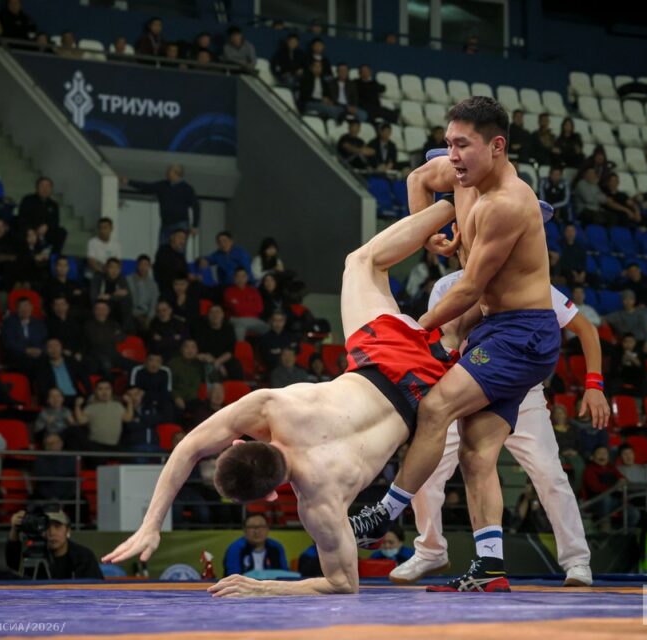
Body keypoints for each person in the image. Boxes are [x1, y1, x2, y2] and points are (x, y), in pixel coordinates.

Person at [102, 186, 472, 596]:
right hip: (377, 359)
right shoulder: (270, 407)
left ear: (268, 495)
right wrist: (150, 523)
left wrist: (263, 589)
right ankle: (453, 203)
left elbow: (343, 584)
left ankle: (485, 235)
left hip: (418, 393)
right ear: (241, 443)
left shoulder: (319, 502)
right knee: (362, 261)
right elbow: (188, 447)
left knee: (466, 311)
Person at [388, 156, 608, 587]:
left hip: (521, 391)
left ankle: (576, 561)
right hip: (468, 389)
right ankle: (430, 551)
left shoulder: (535, 285)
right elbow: (446, 343)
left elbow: (585, 328)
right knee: (428, 468)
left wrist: (594, 384)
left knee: (549, 473)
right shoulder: (447, 287)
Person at [6, 507, 103, 579]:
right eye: (47, 527)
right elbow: (12, 566)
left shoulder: (83, 557)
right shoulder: (34, 554)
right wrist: (14, 529)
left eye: (57, 526)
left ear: (68, 530)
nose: (52, 533)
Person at [124, 164, 200, 246]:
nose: (166, 173)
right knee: (163, 249)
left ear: (176, 173)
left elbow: (196, 207)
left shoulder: (187, 188)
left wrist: (195, 225)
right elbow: (147, 187)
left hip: (180, 224)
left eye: (169, 171)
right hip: (165, 224)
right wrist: (129, 182)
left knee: (178, 248)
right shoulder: (163, 185)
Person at [223, 514, 289, 576]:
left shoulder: (276, 547)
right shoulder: (235, 549)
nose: (257, 532)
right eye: (252, 527)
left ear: (267, 529)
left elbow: (285, 574)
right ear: (244, 530)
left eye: (261, 526)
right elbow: (233, 576)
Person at [73, 379, 132, 449]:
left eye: (107, 388)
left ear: (112, 391)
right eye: (100, 389)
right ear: (95, 391)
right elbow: (81, 421)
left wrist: (129, 403)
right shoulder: (90, 407)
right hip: (95, 445)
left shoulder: (118, 405)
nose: (104, 392)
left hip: (114, 445)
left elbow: (127, 419)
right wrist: (77, 406)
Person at [0, 297, 48, 376]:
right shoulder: (9, 323)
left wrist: (40, 350)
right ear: (16, 309)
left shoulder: (39, 324)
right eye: (21, 307)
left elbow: (45, 340)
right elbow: (9, 343)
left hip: (37, 354)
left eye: (27, 306)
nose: (24, 309)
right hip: (18, 355)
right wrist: (26, 350)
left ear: (31, 307)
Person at [18, 177, 66, 255]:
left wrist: (47, 226)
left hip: (46, 232)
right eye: (42, 186)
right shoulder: (28, 200)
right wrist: (30, 231)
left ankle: (53, 256)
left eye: (48, 186)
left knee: (61, 232)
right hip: (30, 230)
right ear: (37, 188)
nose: (45, 189)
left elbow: (55, 222)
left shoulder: (53, 205)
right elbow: (22, 218)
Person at [224, 267, 268, 341]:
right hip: (236, 320)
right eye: (238, 276)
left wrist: (240, 305)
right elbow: (237, 311)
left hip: (253, 321)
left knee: (270, 330)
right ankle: (240, 347)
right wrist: (250, 306)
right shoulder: (229, 291)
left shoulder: (253, 291)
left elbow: (259, 308)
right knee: (240, 325)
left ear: (247, 278)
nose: (240, 279)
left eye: (243, 276)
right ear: (234, 278)